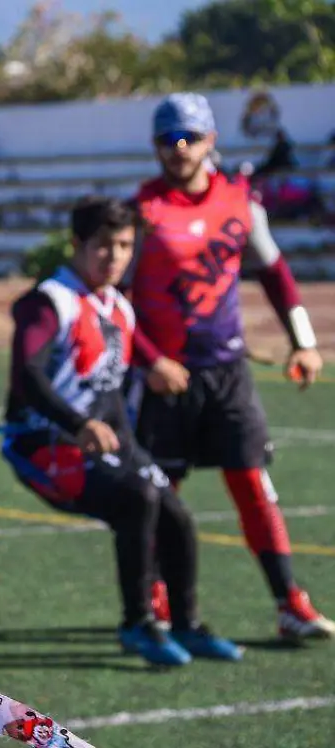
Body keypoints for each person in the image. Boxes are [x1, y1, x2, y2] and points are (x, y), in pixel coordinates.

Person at [0, 196, 241, 667]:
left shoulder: (116, 304)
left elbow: (121, 369)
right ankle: (137, 623)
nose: (115, 257)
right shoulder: (49, 302)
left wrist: (155, 367)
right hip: (43, 447)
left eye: (126, 246)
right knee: (138, 499)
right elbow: (26, 376)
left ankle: (186, 625)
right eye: (103, 245)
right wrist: (78, 424)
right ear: (77, 245)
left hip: (102, 442)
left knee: (176, 515)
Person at [127, 92, 333, 641]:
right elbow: (115, 302)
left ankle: (290, 603)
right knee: (157, 494)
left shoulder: (242, 204)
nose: (179, 148)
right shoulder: (140, 211)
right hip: (164, 379)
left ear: (211, 140)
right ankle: (156, 600)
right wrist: (150, 361)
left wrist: (304, 342)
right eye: (168, 139)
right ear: (155, 146)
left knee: (253, 486)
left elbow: (275, 274)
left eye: (189, 137)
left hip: (227, 373)